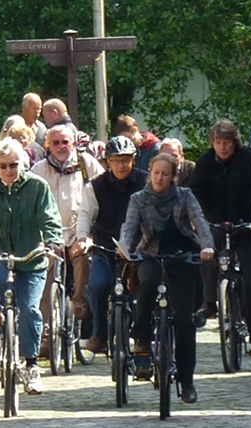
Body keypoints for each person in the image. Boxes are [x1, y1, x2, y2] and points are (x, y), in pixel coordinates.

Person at [0, 138, 62, 395]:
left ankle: (31, 366)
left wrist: (51, 241)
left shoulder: (37, 187)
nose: (8, 171)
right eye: (3, 166)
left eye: (13, 165)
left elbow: (49, 217)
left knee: (30, 309)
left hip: (31, 255)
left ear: (23, 164)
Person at [118, 153, 215, 404]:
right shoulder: (138, 199)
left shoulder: (185, 196)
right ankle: (141, 336)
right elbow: (129, 227)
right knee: (147, 283)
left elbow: (199, 222)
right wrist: (125, 248)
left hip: (181, 256)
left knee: (184, 320)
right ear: (150, 173)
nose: (159, 177)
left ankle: (186, 381)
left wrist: (207, 246)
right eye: (156, 172)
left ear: (173, 176)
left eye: (165, 173)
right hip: (150, 254)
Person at [189, 120, 251, 354]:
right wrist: (200, 220)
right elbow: (196, 194)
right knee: (205, 252)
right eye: (218, 143)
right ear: (212, 143)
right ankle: (210, 302)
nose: (222, 147)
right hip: (215, 223)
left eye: (227, 143)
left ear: (235, 142)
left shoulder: (249, 160)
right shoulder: (204, 164)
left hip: (246, 225)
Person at [30, 125, 104, 355]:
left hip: (78, 231)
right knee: (45, 275)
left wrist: (91, 232)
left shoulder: (87, 164)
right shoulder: (39, 169)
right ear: (48, 145)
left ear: (73, 143)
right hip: (49, 235)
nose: (61, 147)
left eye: (65, 142)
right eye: (56, 143)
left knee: (83, 257)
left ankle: (78, 303)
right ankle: (46, 335)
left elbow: (103, 192)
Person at [75, 136, 148, 353]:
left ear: (134, 160)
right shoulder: (96, 185)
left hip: (138, 248)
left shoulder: (145, 182)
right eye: (116, 160)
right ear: (108, 162)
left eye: (126, 160)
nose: (121, 165)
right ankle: (99, 333)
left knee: (143, 287)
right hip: (106, 246)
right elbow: (86, 215)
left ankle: (142, 334)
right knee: (97, 285)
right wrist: (82, 238)